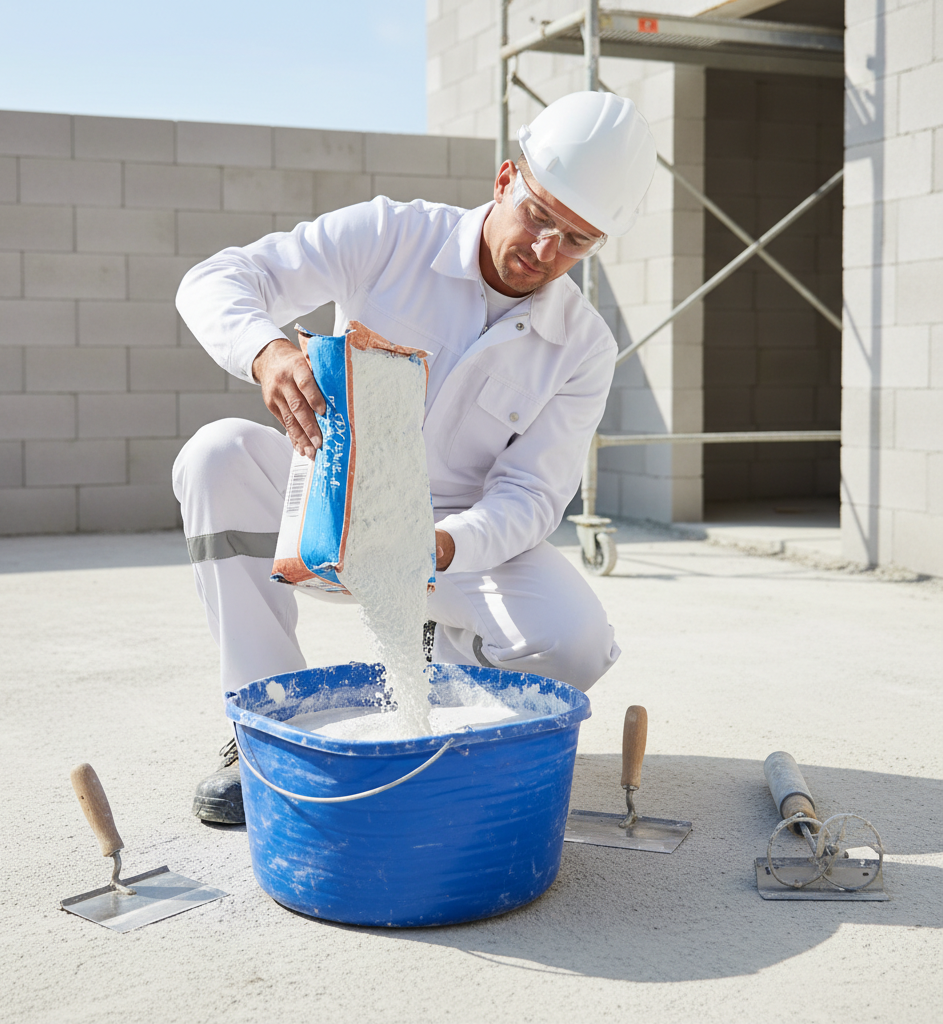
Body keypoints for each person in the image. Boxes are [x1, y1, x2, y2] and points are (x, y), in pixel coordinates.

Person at [173, 91, 657, 823]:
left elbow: (531, 495)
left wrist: (440, 546)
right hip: (331, 503)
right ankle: (265, 730)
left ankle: (440, 714)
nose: (545, 250)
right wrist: (265, 351)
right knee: (216, 455)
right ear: (505, 180)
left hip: (451, 545)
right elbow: (215, 279)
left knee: (576, 645)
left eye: (576, 241)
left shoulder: (583, 347)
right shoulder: (391, 236)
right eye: (538, 216)